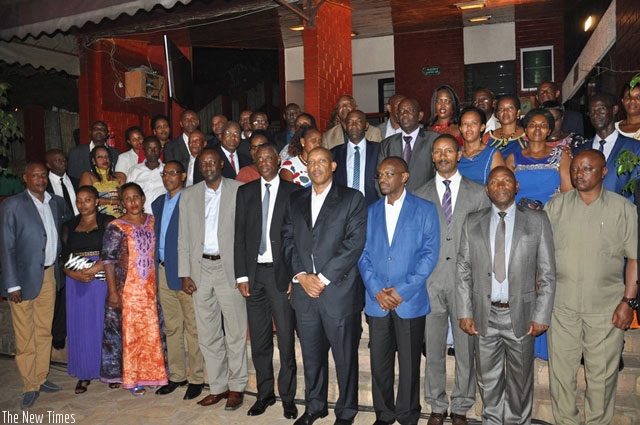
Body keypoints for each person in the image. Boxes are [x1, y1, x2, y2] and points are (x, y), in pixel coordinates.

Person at [456, 166, 556, 425]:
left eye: (507, 181)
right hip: (484, 315)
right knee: (487, 380)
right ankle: (492, 420)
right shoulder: (472, 221)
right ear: (487, 189)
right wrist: (465, 311)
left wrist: (542, 314)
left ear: (516, 186)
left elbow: (547, 273)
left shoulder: (537, 220)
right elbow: (464, 269)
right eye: (495, 182)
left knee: (521, 382)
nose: (501, 186)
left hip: (521, 316)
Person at [546, 149, 638, 425]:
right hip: (561, 308)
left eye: (587, 169)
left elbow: (635, 257)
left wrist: (628, 302)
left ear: (604, 172)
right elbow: (541, 255)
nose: (579, 174)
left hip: (606, 309)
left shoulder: (623, 209)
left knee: (602, 377)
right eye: (575, 169)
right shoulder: (556, 207)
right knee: (561, 377)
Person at [281, 147, 367, 425]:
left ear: (333, 166)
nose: (316, 166)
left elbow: (353, 244)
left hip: (339, 292)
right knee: (311, 355)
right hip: (305, 294)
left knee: (345, 358)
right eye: (312, 162)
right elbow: (287, 240)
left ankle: (346, 412)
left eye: (322, 161)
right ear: (306, 167)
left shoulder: (352, 199)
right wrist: (301, 276)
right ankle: (315, 406)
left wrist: (323, 278)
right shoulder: (296, 199)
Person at [414, 134, 490, 425]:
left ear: (459, 154)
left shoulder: (479, 193)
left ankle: (461, 405)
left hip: (466, 285)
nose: (443, 155)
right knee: (432, 348)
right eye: (438, 152)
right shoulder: (418, 194)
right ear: (432, 157)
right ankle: (435, 404)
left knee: (465, 350)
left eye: (449, 150)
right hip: (430, 283)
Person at [359, 156, 440, 425]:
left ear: (404, 177)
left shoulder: (425, 209)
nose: (383, 179)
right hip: (377, 301)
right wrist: (377, 290)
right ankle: (384, 413)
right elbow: (363, 254)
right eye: (380, 174)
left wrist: (401, 291)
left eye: (389, 174)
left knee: (409, 363)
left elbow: (429, 255)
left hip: (410, 300)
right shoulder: (370, 212)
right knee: (379, 363)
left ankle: (407, 414)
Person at [234, 143, 300, 419]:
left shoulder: (294, 192)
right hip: (254, 275)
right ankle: (264, 394)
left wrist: (293, 276)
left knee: (285, 339)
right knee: (260, 341)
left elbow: (298, 239)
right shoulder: (245, 192)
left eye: (268, 158)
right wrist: (241, 275)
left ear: (278, 161)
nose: (264, 162)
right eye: (259, 158)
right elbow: (239, 236)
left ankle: (287, 396)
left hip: (280, 275)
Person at [178, 149, 247, 410]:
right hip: (200, 270)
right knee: (207, 333)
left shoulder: (240, 190)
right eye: (203, 163)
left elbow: (246, 234)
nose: (208, 166)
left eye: (212, 162)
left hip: (229, 269)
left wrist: (244, 273)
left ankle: (238, 386)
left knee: (235, 331)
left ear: (221, 163)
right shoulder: (189, 195)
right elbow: (183, 237)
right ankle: (218, 386)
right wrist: (185, 273)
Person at [0, 162, 71, 408]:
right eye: (35, 175)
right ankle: (29, 384)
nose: (40, 179)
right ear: (25, 177)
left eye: (43, 175)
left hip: (49, 275)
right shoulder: (12, 205)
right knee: (25, 335)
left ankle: (41, 377)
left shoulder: (55, 202)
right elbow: (6, 246)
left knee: (44, 331)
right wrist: (11, 285)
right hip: (21, 280)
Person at [101, 182, 167, 395]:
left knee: (151, 333)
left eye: (136, 197)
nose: (133, 202)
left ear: (143, 198)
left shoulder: (152, 221)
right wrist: (113, 292)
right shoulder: (116, 226)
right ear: (122, 203)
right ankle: (133, 378)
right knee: (132, 335)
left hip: (150, 289)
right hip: (128, 290)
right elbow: (108, 260)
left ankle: (153, 374)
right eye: (127, 199)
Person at [152, 161, 205, 400]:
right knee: (172, 327)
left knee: (193, 327)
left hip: (186, 273)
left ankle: (196, 378)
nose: (168, 177)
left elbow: (196, 240)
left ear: (183, 175)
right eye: (165, 173)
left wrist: (190, 273)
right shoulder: (158, 203)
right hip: (163, 270)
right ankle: (176, 375)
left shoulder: (191, 200)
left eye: (173, 173)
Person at [61, 185, 113, 394]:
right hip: (77, 281)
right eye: (79, 201)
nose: (83, 204)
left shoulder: (107, 222)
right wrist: (74, 274)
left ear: (97, 201)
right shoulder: (69, 225)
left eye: (88, 200)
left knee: (103, 325)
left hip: (101, 276)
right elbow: (64, 255)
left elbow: (113, 250)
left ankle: (109, 371)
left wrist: (93, 269)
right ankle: (84, 373)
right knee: (82, 326)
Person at [574, 92, 640, 199]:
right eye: (592, 111)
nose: (596, 115)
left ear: (614, 110)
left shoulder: (635, 148)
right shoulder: (579, 151)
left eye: (601, 109)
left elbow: (636, 190)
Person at [506, 108, 572, 207]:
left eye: (543, 125)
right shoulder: (512, 159)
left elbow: (569, 195)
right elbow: (505, 194)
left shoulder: (562, 156)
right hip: (521, 216)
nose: (537, 128)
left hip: (553, 215)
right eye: (532, 125)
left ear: (549, 131)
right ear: (526, 130)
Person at [378, 98, 438, 193]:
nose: (405, 114)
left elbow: (439, 175)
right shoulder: (386, 144)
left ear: (420, 116)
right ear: (397, 117)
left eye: (410, 110)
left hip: (424, 203)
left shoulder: (434, 140)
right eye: (401, 111)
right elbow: (379, 178)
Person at [332, 109, 380, 205]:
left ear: (366, 126)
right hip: (343, 207)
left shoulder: (379, 149)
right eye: (349, 122)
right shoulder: (334, 153)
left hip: (373, 206)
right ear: (345, 126)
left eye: (358, 121)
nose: (353, 125)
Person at [457, 106, 504, 185]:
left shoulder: (492, 154)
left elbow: (501, 183)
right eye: (465, 123)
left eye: (474, 123)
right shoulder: (454, 153)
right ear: (460, 128)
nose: (469, 127)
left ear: (482, 127)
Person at [79, 145, 126, 217]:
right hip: (97, 220)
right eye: (100, 157)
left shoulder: (120, 176)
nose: (105, 159)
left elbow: (125, 199)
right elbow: (86, 200)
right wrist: (115, 201)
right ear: (93, 161)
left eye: (107, 156)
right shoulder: (88, 176)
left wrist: (103, 200)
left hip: (120, 218)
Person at [127, 136, 165, 212]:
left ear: (161, 150)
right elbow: (128, 194)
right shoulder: (134, 170)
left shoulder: (167, 170)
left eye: (156, 148)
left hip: (162, 215)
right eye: (149, 148)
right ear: (143, 151)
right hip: (140, 217)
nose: (153, 151)